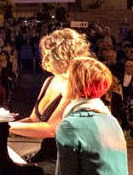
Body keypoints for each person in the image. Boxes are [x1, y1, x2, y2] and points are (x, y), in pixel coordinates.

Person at [9, 28, 90, 172]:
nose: (44, 59)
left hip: (68, 158)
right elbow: (34, 120)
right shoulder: (49, 81)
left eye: (48, 54)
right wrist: (1, 127)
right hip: (48, 153)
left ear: (63, 56)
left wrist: (8, 128)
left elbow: (52, 129)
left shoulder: (74, 85)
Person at [54, 57, 129, 175]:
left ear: (77, 84)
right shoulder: (112, 121)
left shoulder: (69, 126)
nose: (62, 79)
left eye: (67, 77)